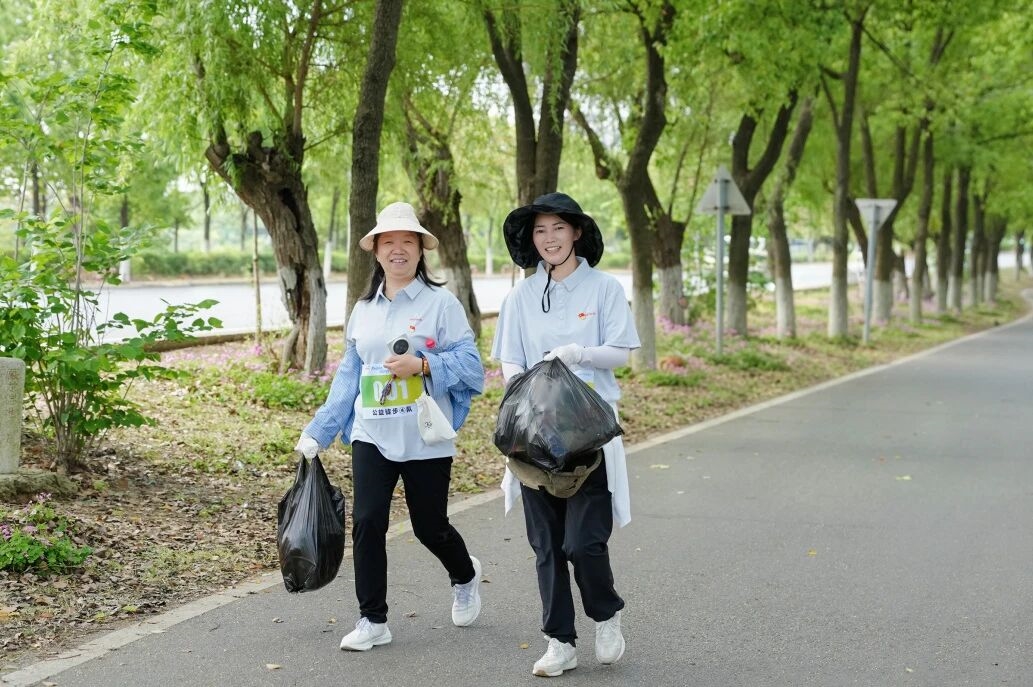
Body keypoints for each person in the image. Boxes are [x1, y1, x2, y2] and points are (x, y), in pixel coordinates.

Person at [296, 201, 485, 651]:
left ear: (420, 250)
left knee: (429, 527)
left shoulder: (442, 304)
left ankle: (465, 574)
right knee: (367, 522)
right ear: (376, 251)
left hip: (425, 435)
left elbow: (473, 368)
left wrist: (423, 364)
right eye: (389, 242)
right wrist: (319, 431)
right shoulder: (363, 310)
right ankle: (373, 620)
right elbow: (349, 375)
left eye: (407, 242)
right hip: (372, 433)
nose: (398, 249)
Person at [491, 192, 640, 677]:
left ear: (576, 232)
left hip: (588, 436)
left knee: (583, 543)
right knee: (547, 546)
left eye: (558, 228)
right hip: (534, 437)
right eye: (540, 230)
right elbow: (509, 358)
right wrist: (521, 392)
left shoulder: (603, 289)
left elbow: (620, 352)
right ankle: (559, 642)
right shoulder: (520, 297)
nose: (549, 238)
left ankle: (606, 614)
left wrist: (579, 353)